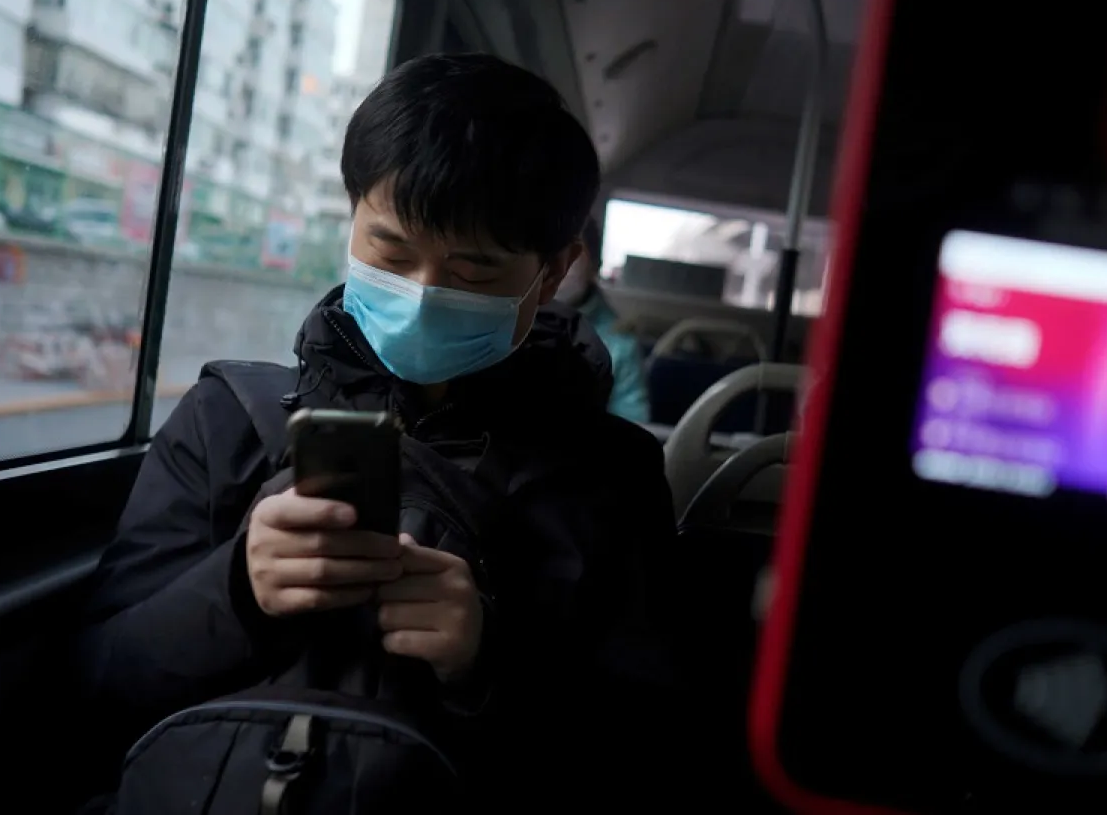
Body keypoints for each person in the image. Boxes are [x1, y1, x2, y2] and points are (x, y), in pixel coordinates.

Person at [75, 53, 684, 810]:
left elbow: (650, 755)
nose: (423, 295)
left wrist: (485, 664)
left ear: (553, 270)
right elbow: (94, 685)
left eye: (473, 273)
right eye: (390, 252)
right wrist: (237, 590)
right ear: (352, 217)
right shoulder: (230, 418)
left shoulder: (611, 475)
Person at [555, 216, 651, 423]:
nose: (556, 264)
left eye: (572, 252)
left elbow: (631, 425)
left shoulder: (618, 343)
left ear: (594, 265)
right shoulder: (503, 318)